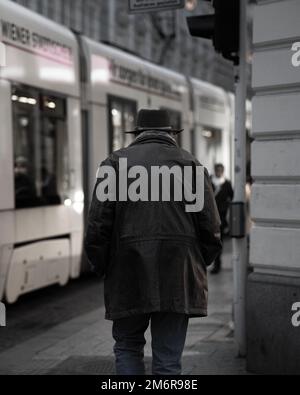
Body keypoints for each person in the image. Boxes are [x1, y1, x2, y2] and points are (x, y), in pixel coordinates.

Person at [85, 109, 222, 375]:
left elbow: (97, 226)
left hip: (127, 271)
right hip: (178, 274)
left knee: (127, 346)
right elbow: (211, 228)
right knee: (168, 358)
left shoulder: (114, 164)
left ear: (137, 134)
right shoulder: (191, 165)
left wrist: (104, 266)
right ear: (171, 133)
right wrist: (194, 261)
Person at [210, 164, 234, 274]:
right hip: (209, 217)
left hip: (221, 218)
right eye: (217, 170)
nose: (218, 172)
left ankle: (217, 264)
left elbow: (232, 197)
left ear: (223, 171)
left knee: (218, 241)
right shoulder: (209, 181)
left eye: (220, 170)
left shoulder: (227, 184)